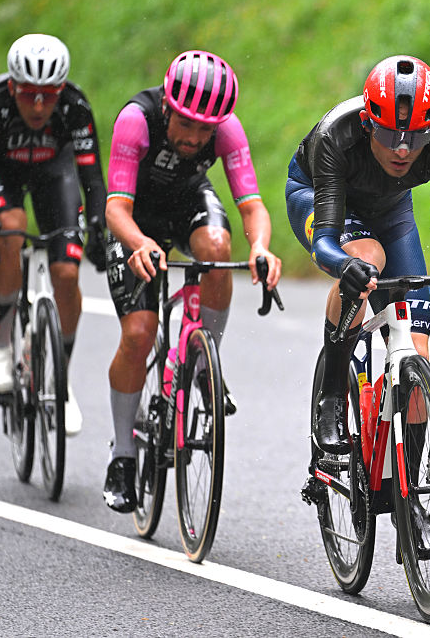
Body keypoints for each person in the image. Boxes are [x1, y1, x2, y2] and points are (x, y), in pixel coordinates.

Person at [285, 55, 430, 556]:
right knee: (367, 258)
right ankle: (333, 397)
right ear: (368, 124)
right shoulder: (338, 137)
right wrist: (345, 267)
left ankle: (410, 501)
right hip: (318, 197)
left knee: (416, 356)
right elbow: (328, 243)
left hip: (390, 208)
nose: (403, 150)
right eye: (388, 137)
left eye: (416, 138)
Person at [102, 50, 282, 513]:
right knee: (139, 332)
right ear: (167, 107)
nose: (196, 137)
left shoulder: (227, 128)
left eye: (207, 130)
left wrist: (260, 246)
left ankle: (203, 361)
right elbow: (115, 208)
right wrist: (140, 243)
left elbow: (251, 206)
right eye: (187, 125)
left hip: (186, 203)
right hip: (134, 217)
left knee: (219, 249)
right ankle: (123, 455)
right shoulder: (135, 120)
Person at [0, 33, 107, 437]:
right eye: (29, 95)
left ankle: (60, 382)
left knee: (66, 273)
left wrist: (97, 229)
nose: (40, 105)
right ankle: (2, 347)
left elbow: (93, 180)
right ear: (12, 87)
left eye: (49, 94)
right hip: (3, 175)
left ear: (61, 89)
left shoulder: (75, 106)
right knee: (9, 231)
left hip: (54, 175)